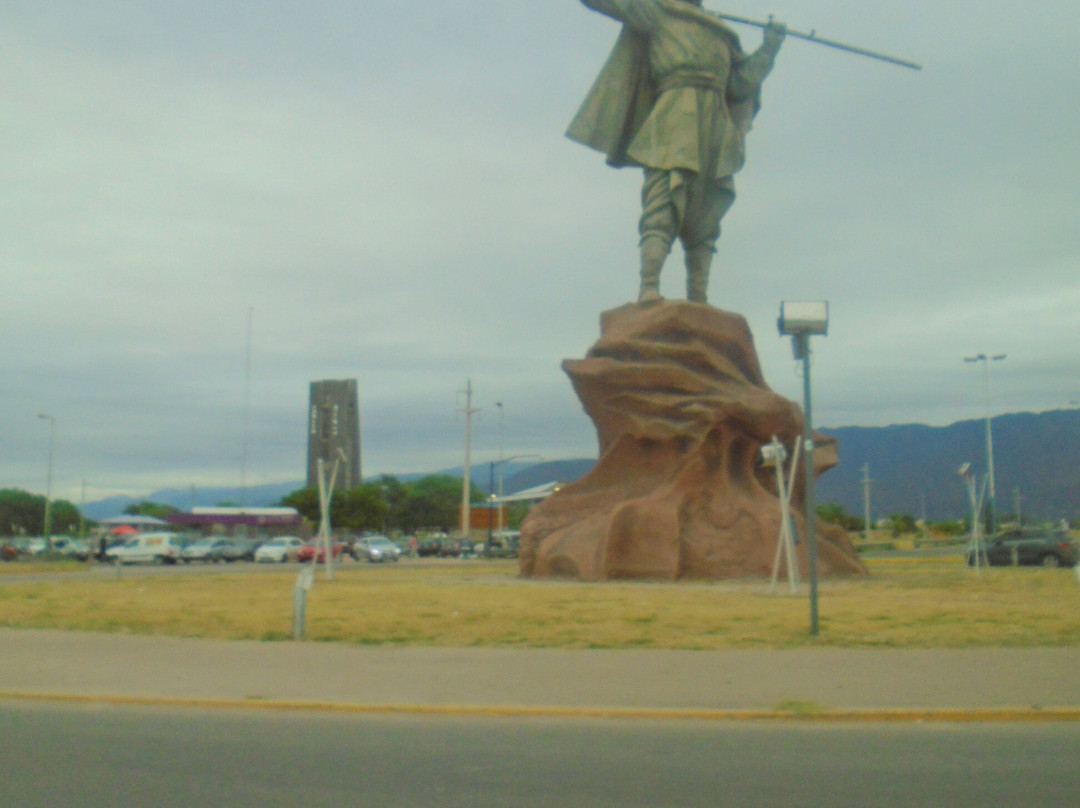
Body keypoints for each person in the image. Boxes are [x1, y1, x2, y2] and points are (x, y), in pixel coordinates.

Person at [567, 0, 785, 304]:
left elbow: (737, 86)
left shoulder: (720, 31)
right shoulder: (658, 13)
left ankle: (699, 299)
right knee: (663, 203)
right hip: (673, 118)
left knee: (707, 214)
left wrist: (768, 50)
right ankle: (649, 287)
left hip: (714, 128)